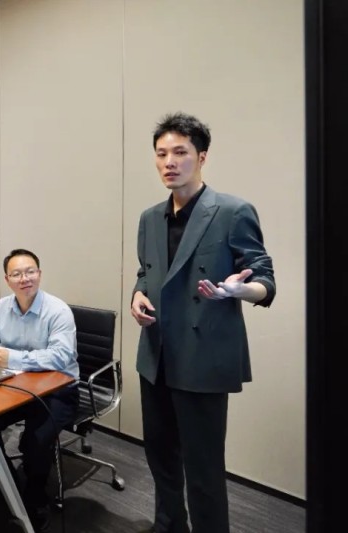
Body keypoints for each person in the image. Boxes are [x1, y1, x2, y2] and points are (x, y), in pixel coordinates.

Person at [131, 112, 275, 533]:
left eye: (180, 152)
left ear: (202, 157)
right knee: (160, 456)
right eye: (161, 154)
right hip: (156, 355)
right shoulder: (149, 217)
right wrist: (138, 294)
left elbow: (265, 280)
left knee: (204, 469)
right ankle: (168, 525)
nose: (169, 162)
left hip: (202, 356)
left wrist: (237, 291)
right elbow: (146, 272)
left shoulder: (231, 211)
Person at [0, 249, 79, 532]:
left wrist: (13, 358)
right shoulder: (4, 306)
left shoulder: (58, 310)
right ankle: (4, 482)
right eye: (16, 274)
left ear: (39, 274)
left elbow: (60, 357)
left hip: (59, 390)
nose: (25, 278)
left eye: (30, 272)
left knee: (36, 440)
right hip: (17, 385)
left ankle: (35, 500)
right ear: (7, 279)